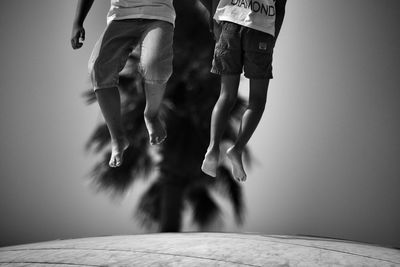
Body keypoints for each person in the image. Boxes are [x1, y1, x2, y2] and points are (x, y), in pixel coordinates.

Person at [71, 0, 175, 167]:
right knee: (99, 67)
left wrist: (213, 13)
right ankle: (118, 138)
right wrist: (78, 22)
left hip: (158, 13)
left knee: (155, 65)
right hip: (121, 16)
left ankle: (151, 115)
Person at [201, 0, 287, 182]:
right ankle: (237, 148)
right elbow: (280, 8)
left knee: (226, 95)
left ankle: (213, 147)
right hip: (261, 30)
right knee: (257, 100)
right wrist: (272, 40)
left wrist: (214, 19)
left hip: (229, 24)